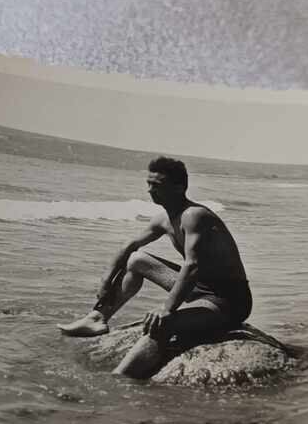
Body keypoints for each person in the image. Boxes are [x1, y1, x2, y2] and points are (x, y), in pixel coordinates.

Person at [58, 156, 254, 379]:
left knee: (162, 323)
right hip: (199, 288)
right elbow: (129, 245)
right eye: (148, 184)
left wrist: (167, 308)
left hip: (227, 301)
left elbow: (192, 265)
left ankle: (121, 377)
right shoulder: (164, 218)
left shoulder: (194, 216)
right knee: (136, 260)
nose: (150, 190)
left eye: (157, 185)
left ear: (179, 187)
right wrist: (106, 279)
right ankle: (97, 318)